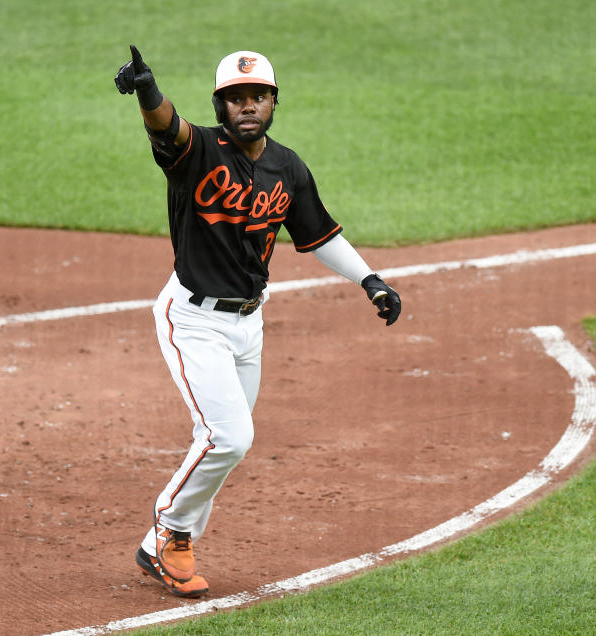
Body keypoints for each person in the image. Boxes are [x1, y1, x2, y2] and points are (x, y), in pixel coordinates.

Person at [114, 45, 401, 598]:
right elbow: (167, 128)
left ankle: (160, 546)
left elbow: (319, 233)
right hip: (193, 319)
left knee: (223, 439)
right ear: (220, 106)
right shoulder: (195, 152)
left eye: (258, 97)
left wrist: (370, 280)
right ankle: (171, 529)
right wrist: (148, 91)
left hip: (249, 325)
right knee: (229, 436)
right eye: (236, 98)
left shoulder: (287, 167)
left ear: (273, 101)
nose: (248, 106)